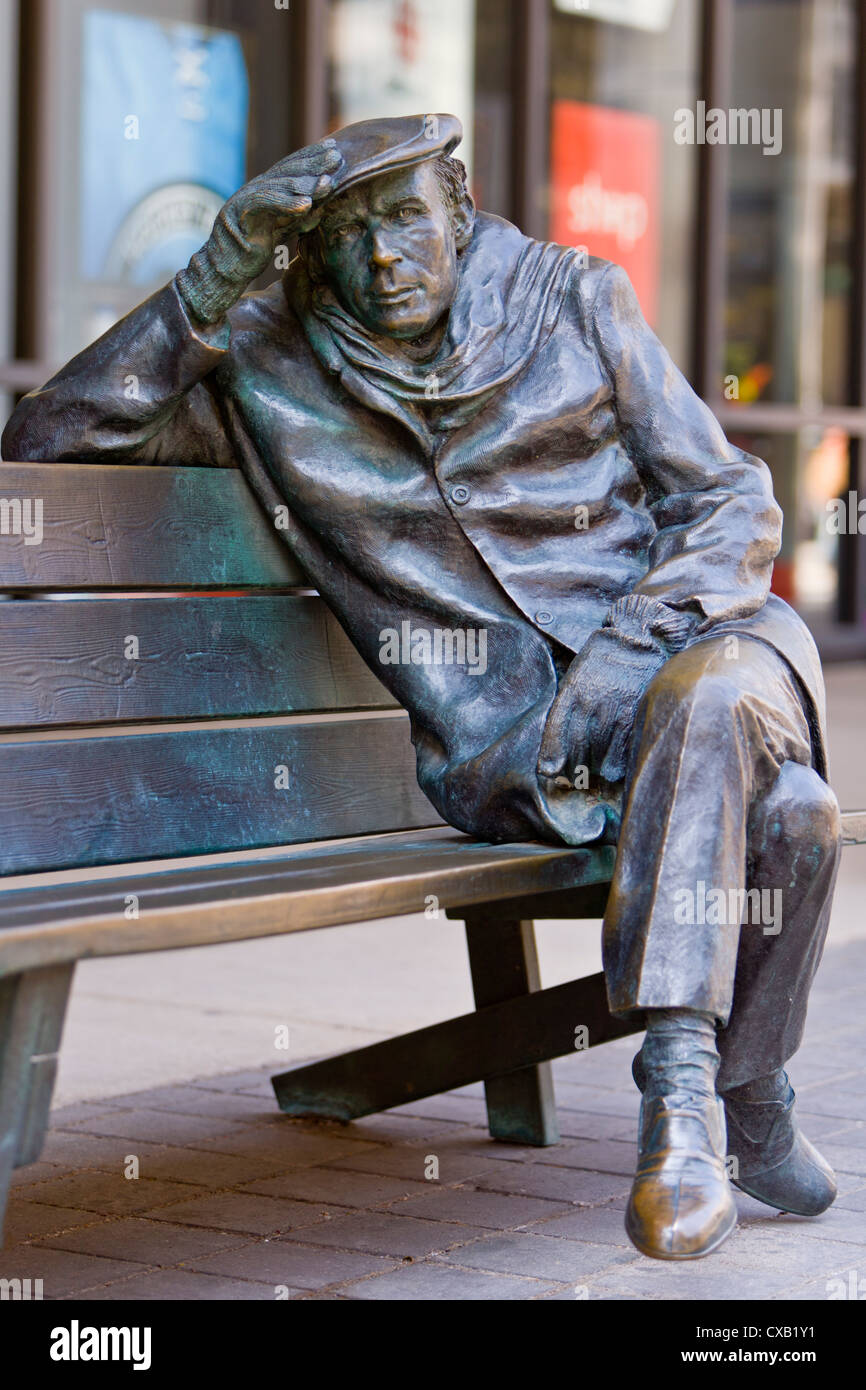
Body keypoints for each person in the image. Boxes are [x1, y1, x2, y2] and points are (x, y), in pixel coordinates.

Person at [2, 113, 842, 1260]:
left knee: (700, 702)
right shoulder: (265, 359)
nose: (383, 260)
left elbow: (732, 500)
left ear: (457, 204)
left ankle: (680, 1099)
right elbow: (48, 440)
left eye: (403, 219)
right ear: (302, 254)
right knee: (788, 813)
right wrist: (212, 275)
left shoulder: (574, 299)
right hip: (518, 755)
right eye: (344, 238)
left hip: (704, 650)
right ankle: (756, 1100)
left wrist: (630, 640)